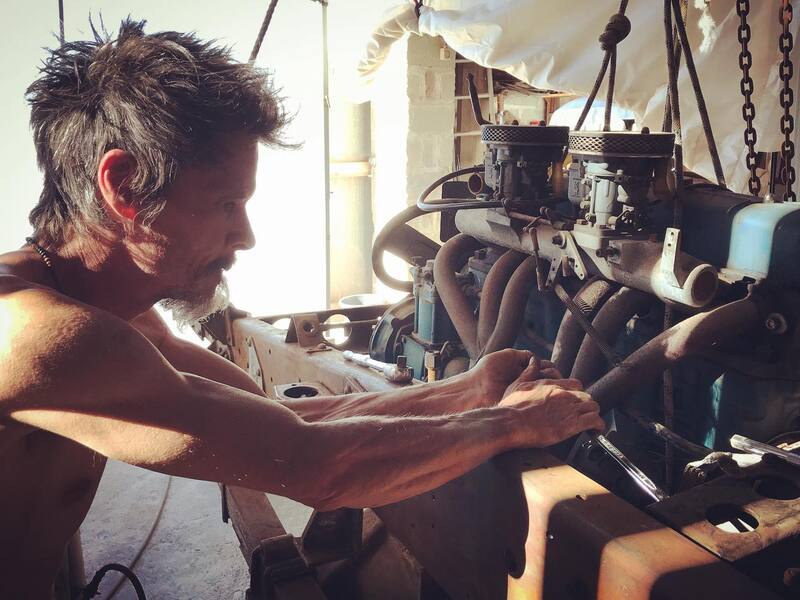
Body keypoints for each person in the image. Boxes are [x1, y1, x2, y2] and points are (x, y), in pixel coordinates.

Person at [0, 19, 603, 599]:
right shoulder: (39, 334)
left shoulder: (113, 317)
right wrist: (513, 425)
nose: (245, 235)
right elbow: (321, 469)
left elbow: (280, 423)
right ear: (125, 186)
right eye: (227, 202)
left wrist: (466, 392)